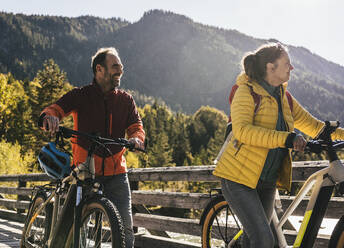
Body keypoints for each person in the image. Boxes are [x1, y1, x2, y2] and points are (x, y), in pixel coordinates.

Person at [213, 43, 344, 247]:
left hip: (266, 181)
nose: (291, 68)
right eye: (287, 64)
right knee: (265, 240)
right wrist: (286, 138)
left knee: (253, 239)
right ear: (270, 67)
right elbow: (243, 131)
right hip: (238, 179)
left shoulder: (285, 98)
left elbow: (315, 126)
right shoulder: (246, 92)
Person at [39, 47, 145, 248]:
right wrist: (50, 116)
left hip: (117, 173)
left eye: (121, 67)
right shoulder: (81, 95)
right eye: (115, 66)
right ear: (99, 69)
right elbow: (56, 109)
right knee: (76, 231)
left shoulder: (125, 100)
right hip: (85, 172)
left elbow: (136, 127)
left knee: (125, 230)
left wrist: (137, 139)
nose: (120, 71)